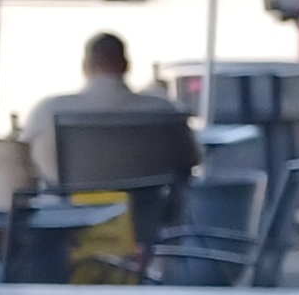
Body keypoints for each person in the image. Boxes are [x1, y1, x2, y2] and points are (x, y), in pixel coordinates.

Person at [24, 32, 196, 185]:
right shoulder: (164, 110)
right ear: (126, 65)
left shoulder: (49, 110)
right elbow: (190, 161)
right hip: (148, 207)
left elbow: (27, 164)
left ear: (85, 66)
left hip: (73, 207)